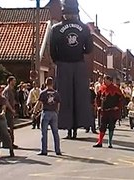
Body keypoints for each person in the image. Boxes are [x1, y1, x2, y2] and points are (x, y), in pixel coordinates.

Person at [49, 0, 94, 139]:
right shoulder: (85, 28)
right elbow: (89, 50)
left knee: (64, 97)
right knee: (80, 97)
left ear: (63, 11)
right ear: (77, 12)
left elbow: (52, 50)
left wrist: (58, 61)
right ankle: (78, 126)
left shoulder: (55, 28)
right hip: (79, 65)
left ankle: (67, 128)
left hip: (63, 64)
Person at [32, 77, 62, 156]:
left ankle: (44, 150)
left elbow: (38, 103)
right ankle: (57, 150)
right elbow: (58, 104)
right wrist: (57, 112)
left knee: (44, 133)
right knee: (55, 132)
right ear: (52, 83)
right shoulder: (56, 93)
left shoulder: (43, 93)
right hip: (54, 113)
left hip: (46, 112)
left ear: (45, 83)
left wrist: (34, 112)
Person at [93, 75, 123, 148]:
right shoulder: (101, 88)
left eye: (106, 80)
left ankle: (110, 142)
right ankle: (100, 142)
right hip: (104, 111)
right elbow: (97, 98)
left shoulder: (116, 89)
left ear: (110, 81)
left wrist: (118, 107)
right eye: (104, 80)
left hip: (112, 111)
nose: (104, 81)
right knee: (102, 127)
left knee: (111, 127)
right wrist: (99, 106)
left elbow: (122, 99)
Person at [2, 76, 18, 148]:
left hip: (10, 111)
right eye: (14, 81)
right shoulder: (7, 90)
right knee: (9, 127)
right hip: (8, 112)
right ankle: (8, 143)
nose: (15, 82)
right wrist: (11, 109)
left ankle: (10, 142)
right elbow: (6, 101)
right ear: (10, 81)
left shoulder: (11, 90)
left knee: (11, 127)